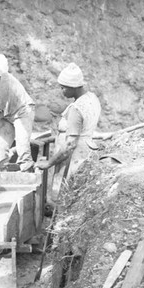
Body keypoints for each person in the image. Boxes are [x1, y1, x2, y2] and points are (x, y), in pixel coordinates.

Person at [36, 62, 101, 202]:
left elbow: (70, 144)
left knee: (64, 197)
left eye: (63, 87)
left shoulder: (77, 109)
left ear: (73, 87)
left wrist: (49, 163)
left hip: (73, 159)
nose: (62, 90)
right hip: (86, 153)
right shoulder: (92, 98)